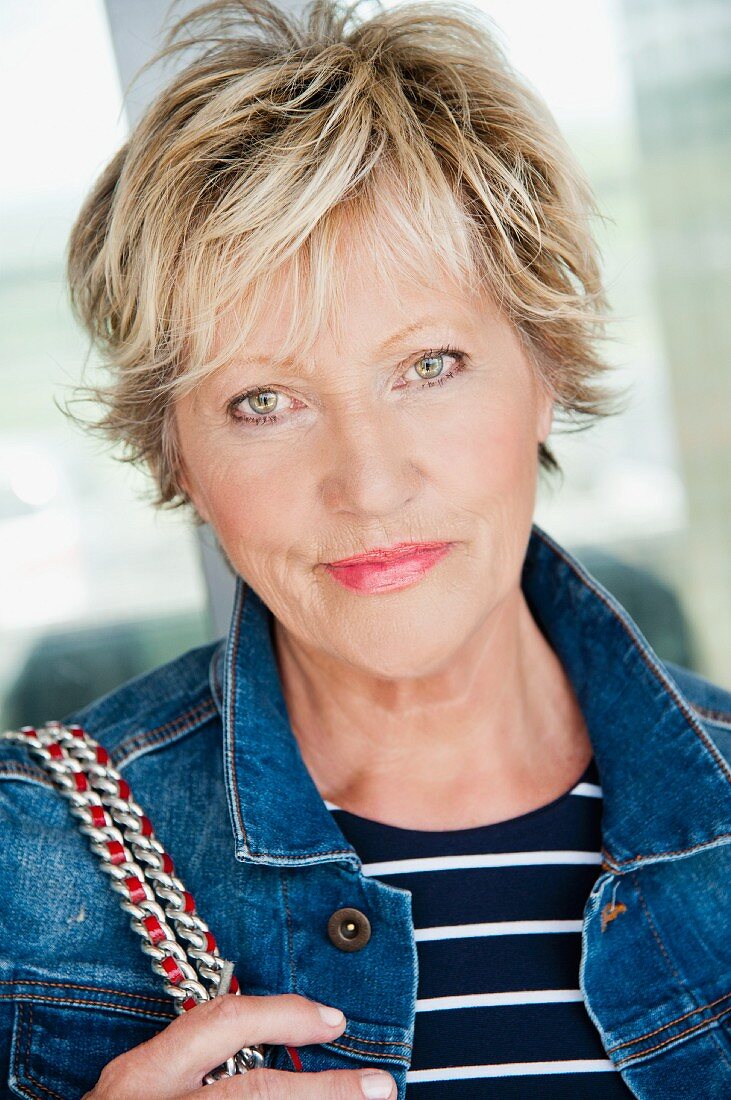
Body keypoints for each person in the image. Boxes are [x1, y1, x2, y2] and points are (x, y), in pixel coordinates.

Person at [1, 0, 730, 1097]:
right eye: (262, 400)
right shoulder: (29, 861)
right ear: (176, 453)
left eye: (427, 365)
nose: (370, 481)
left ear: (544, 368)